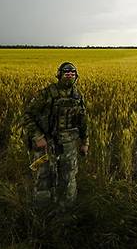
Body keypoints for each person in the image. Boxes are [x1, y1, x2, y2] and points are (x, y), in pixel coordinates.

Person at [22, 62, 89, 209]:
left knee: (69, 177)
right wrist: (38, 137)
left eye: (72, 74)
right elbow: (27, 116)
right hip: (45, 144)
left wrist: (85, 143)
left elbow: (83, 122)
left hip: (68, 145)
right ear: (59, 75)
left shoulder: (77, 96)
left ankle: (66, 212)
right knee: (43, 177)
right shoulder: (46, 93)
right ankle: (42, 212)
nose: (69, 76)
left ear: (76, 77)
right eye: (66, 73)